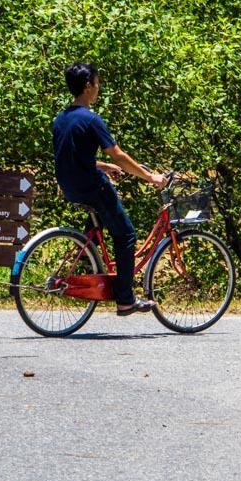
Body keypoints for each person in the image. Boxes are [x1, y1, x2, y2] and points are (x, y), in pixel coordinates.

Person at [52, 63, 167, 315]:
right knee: (125, 235)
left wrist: (101, 166)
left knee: (102, 221)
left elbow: (74, 157)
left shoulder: (61, 118)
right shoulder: (92, 120)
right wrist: (150, 177)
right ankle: (126, 299)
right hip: (91, 186)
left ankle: (88, 252)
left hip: (70, 186)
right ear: (88, 86)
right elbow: (118, 154)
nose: (98, 87)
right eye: (97, 82)